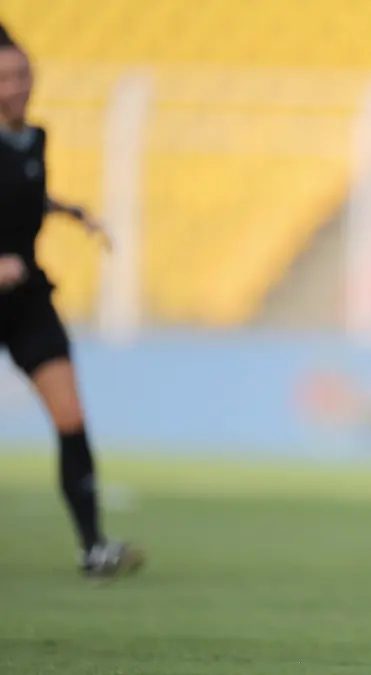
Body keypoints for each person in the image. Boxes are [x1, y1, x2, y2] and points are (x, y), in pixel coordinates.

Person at [0, 25, 143, 578]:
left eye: (22, 73)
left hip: (27, 299)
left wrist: (70, 212)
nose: (17, 85)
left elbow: (23, 191)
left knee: (71, 417)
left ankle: (93, 547)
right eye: (5, 77)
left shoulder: (34, 137)